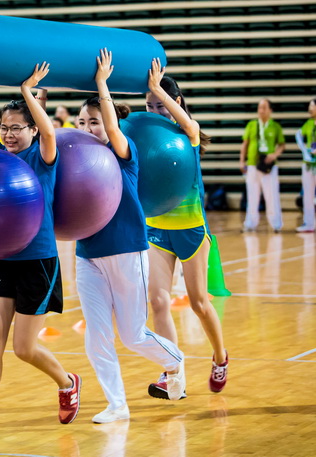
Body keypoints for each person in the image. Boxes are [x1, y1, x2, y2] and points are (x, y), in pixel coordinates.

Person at [0, 67, 80, 441]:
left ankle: (67, 382)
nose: (9, 134)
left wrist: (28, 91)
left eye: (17, 128)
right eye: (4, 127)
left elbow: (50, 132)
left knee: (24, 348)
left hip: (38, 260)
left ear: (31, 129)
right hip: (1, 258)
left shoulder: (43, 156)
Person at [76, 50, 186, 423]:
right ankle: (117, 404)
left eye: (93, 121)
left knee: (133, 335)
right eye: (81, 121)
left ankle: (175, 360)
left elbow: (111, 129)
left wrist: (102, 83)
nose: (87, 128)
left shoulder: (123, 151)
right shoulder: (76, 159)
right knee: (96, 336)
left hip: (126, 250)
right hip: (87, 254)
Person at [145, 61, 228, 396]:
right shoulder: (145, 137)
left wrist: (157, 88)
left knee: (199, 303)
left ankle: (220, 357)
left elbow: (190, 124)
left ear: (176, 102)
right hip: (156, 229)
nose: (155, 112)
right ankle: (172, 373)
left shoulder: (188, 133)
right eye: (149, 106)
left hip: (191, 230)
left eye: (161, 105)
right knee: (158, 301)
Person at [239, 99, 285, 233]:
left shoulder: (275, 126)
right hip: (253, 164)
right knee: (252, 196)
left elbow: (282, 145)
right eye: (259, 107)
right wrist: (242, 161)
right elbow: (245, 144)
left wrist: (275, 154)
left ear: (270, 110)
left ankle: (276, 224)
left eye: (264, 107)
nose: (261, 110)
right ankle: (250, 224)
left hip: (268, 166)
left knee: (272, 196)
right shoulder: (251, 125)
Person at [295, 98, 316, 233]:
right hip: (308, 164)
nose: (310, 109)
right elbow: (298, 135)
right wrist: (304, 150)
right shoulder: (308, 124)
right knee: (307, 194)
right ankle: (309, 223)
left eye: (312, 106)